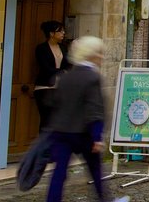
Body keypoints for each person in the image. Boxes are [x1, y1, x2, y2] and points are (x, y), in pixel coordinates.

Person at [45, 36, 107, 202]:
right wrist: (97, 137)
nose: (101, 57)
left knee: (59, 173)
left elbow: (53, 103)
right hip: (83, 133)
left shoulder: (65, 77)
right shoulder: (92, 78)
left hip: (62, 131)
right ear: (91, 55)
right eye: (99, 53)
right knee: (95, 169)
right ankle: (105, 199)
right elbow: (95, 109)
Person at [33, 20, 69, 133]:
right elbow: (45, 67)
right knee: (46, 120)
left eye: (63, 31)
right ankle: (43, 147)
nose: (63, 33)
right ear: (51, 33)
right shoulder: (41, 48)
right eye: (60, 31)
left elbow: (67, 65)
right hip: (45, 88)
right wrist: (63, 72)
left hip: (60, 88)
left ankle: (54, 147)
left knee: (59, 120)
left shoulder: (63, 48)